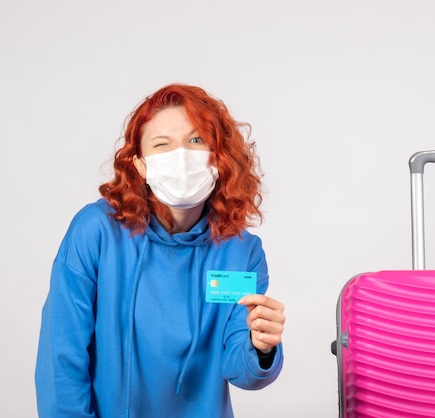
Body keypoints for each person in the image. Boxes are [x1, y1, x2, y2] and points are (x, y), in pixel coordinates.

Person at [35, 83, 285, 417]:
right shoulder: (96, 232)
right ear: (140, 165)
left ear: (219, 156)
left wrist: (262, 347)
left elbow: (240, 369)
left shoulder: (241, 252)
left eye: (196, 141)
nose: (181, 157)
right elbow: (61, 357)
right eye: (161, 145)